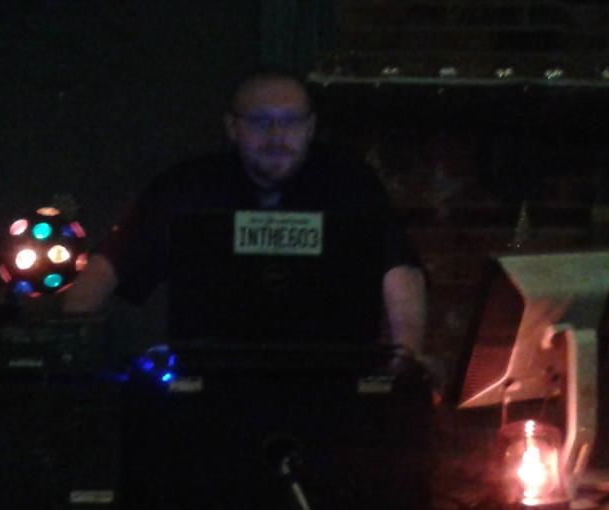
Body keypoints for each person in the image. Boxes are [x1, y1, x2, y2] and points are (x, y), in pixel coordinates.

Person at [61, 67, 427, 357]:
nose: (276, 135)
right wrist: (70, 354)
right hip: (208, 377)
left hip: (331, 372)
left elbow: (399, 267)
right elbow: (108, 265)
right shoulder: (188, 185)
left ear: (311, 127)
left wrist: (407, 356)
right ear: (232, 127)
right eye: (260, 121)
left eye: (291, 121)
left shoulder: (350, 183)